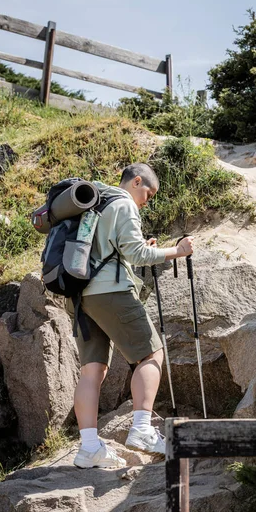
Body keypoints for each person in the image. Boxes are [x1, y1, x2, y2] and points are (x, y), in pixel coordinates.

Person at [69, 162, 194, 469]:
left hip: (79, 296)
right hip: (110, 292)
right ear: (136, 181)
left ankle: (89, 449)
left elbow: (115, 250)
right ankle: (141, 430)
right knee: (152, 354)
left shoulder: (96, 201)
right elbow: (137, 254)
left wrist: (141, 247)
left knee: (92, 371)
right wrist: (177, 251)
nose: (146, 201)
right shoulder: (124, 203)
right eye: (148, 194)